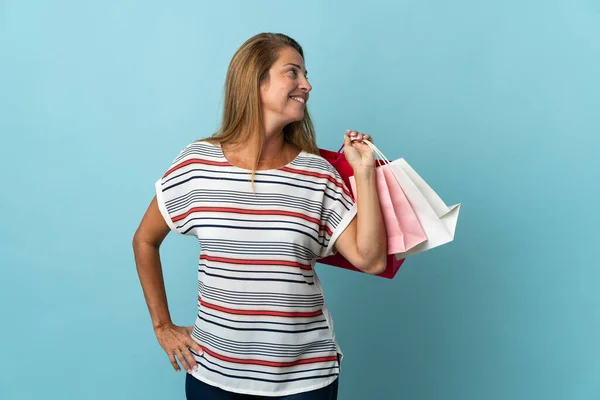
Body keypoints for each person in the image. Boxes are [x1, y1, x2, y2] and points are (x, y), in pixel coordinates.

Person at [132, 32, 387, 400]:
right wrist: (162, 326)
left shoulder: (317, 173)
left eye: (306, 75)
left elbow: (372, 259)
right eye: (293, 73)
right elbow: (144, 239)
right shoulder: (197, 164)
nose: (307, 85)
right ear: (256, 80)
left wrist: (364, 173)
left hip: (305, 381)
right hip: (214, 376)